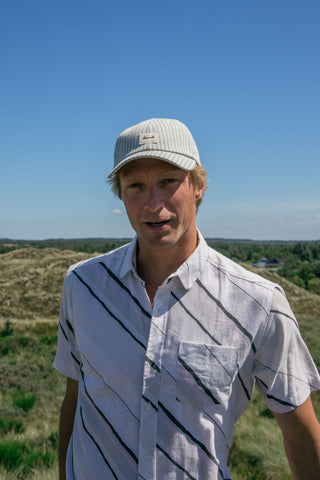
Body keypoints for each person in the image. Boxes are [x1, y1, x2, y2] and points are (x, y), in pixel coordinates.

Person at [53, 118, 320, 480]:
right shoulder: (82, 285)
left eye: (168, 181)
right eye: (136, 186)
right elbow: (75, 399)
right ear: (119, 194)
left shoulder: (259, 304)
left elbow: (302, 436)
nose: (153, 203)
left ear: (199, 186)